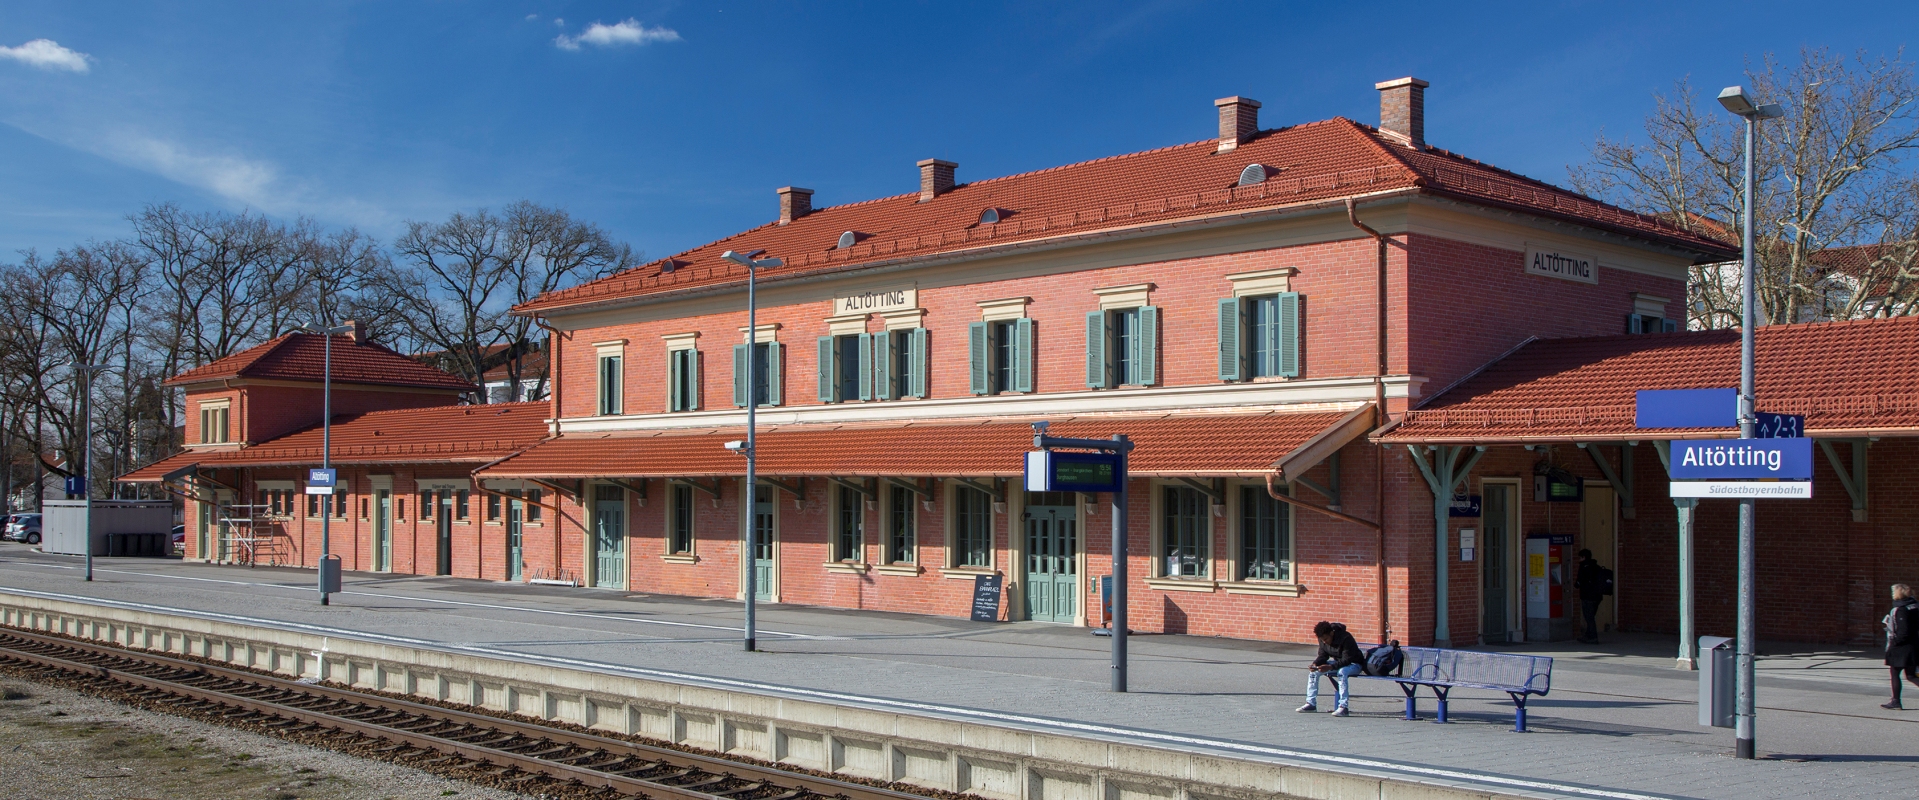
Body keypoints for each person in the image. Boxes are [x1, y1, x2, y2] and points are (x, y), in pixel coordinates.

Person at [1297, 620, 1364, 717]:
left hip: (1354, 664)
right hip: (1337, 663)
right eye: (1322, 640)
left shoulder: (1346, 638)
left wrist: (1330, 667)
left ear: (1332, 633)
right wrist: (1316, 664)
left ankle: (1343, 707)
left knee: (1342, 672)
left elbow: (1347, 659)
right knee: (1314, 673)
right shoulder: (1322, 639)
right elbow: (1323, 655)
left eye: (1326, 639)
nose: (1325, 642)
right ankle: (1311, 703)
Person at [1883, 584, 1918, 710]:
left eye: (1893, 591)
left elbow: (1903, 631)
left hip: (1902, 648)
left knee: (1895, 673)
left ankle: (1896, 701)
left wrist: (1895, 643)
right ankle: (1895, 701)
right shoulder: (1914, 606)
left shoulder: (1901, 609)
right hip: (1914, 645)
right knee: (1911, 675)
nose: (1892, 594)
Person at [1573, 549, 1606, 644]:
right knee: (1591, 616)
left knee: (1589, 617)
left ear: (1584, 557)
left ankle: (1593, 637)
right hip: (1597, 596)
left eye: (1580, 557)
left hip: (1587, 596)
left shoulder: (1584, 567)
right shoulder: (1596, 566)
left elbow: (1579, 582)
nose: (1579, 559)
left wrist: (1575, 586)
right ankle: (1588, 635)